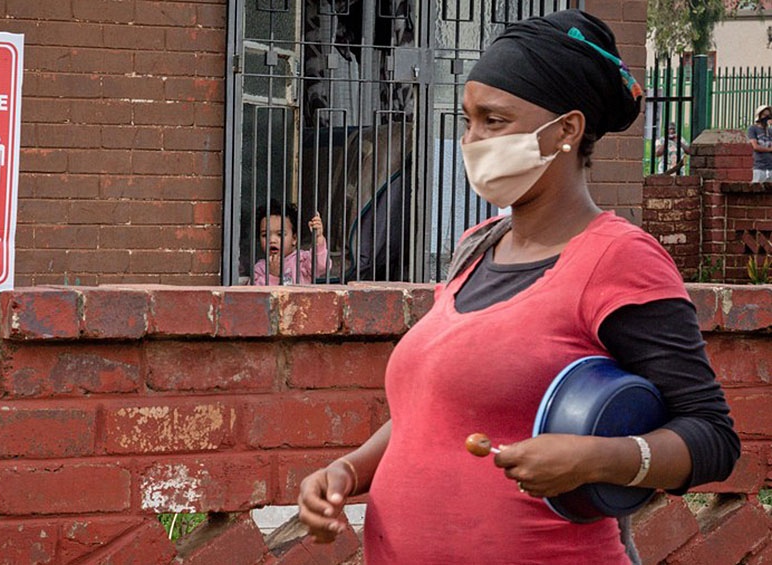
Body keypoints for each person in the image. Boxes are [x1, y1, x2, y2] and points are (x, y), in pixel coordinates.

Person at [297, 10, 739, 564]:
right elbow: (434, 412)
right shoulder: (477, 246)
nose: (472, 139)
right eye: (468, 120)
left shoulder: (618, 259)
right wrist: (349, 470)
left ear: (566, 130)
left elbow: (713, 438)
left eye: (494, 120)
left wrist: (598, 459)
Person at [251, 199, 330, 285]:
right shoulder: (259, 269)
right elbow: (254, 296)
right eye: (265, 235)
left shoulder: (302, 260)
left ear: (294, 238)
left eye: (280, 234)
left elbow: (321, 266)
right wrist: (272, 276)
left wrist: (318, 237)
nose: (272, 240)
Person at [747, 104, 772, 183]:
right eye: (764, 115)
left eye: (768, 115)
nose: (766, 118)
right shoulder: (753, 128)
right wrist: (769, 149)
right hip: (760, 166)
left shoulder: (770, 130)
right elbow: (756, 146)